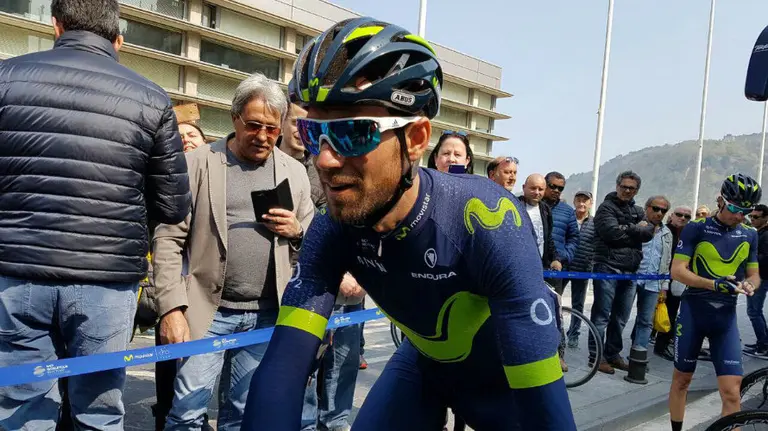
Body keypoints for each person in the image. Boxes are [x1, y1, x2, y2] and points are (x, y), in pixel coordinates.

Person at [242, 17, 576, 431]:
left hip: (504, 389)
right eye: (313, 134)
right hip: (421, 368)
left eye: (352, 133)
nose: (324, 159)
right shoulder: (332, 228)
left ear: (416, 139)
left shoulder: (486, 218)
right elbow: (282, 373)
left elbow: (546, 409)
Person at [0, 0, 191, 428]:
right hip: (106, 279)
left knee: (22, 409)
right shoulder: (151, 97)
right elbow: (174, 205)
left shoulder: (6, 78)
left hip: (18, 268)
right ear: (118, 39)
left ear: (56, 25)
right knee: (99, 411)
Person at [668, 174, 762, 431]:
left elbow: (754, 274)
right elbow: (677, 271)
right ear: (720, 201)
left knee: (732, 392)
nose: (739, 216)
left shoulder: (749, 234)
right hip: (693, 311)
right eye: (734, 208)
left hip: (726, 318)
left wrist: (750, 285)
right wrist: (713, 283)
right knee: (682, 381)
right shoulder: (696, 228)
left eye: (746, 211)